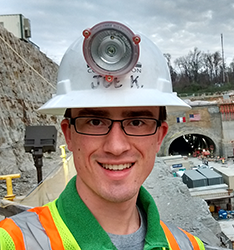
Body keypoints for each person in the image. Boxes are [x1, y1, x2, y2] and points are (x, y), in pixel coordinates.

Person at [0, 21, 205, 250]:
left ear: (159, 136)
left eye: (137, 122)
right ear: (69, 135)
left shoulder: (189, 246)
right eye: (95, 122)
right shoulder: (13, 242)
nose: (116, 147)